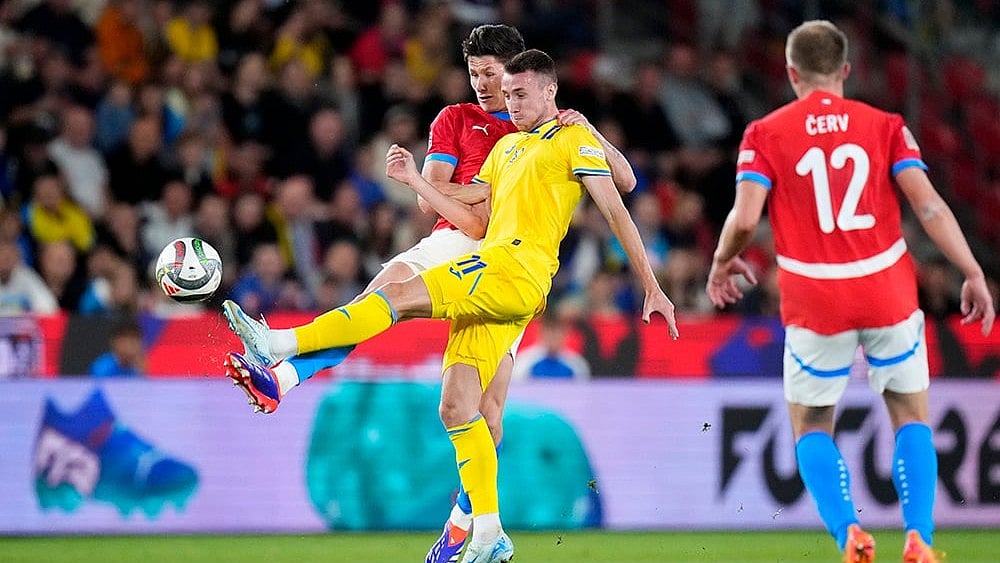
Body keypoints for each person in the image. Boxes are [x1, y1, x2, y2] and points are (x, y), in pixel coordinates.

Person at [223, 48, 679, 563]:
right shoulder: (506, 148)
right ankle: (487, 531)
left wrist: (651, 284)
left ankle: (279, 344)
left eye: (517, 92)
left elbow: (618, 205)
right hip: (498, 275)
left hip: (513, 268)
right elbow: (475, 202)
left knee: (394, 298)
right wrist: (417, 182)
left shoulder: (572, 139)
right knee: (458, 406)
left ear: (550, 91)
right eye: (504, 93)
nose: (508, 101)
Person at [705, 20, 995, 563]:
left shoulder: (764, 133)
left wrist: (722, 261)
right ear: (845, 70)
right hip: (887, 289)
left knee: (812, 423)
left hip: (815, 299)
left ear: (791, 73)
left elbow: (744, 219)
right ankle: (919, 538)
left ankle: (850, 535)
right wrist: (972, 271)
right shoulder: (885, 125)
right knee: (910, 415)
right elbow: (928, 205)